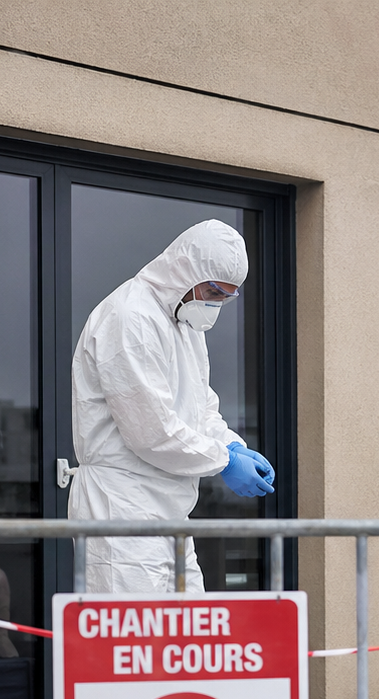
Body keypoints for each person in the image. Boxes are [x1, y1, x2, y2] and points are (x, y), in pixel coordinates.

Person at [68, 220, 275, 593]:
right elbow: (152, 432)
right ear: (185, 271)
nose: (215, 304)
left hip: (171, 512)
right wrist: (225, 461)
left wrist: (233, 445)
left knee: (188, 625)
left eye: (225, 297)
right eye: (212, 291)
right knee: (133, 629)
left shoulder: (184, 323)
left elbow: (200, 408)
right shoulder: (130, 317)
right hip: (122, 510)